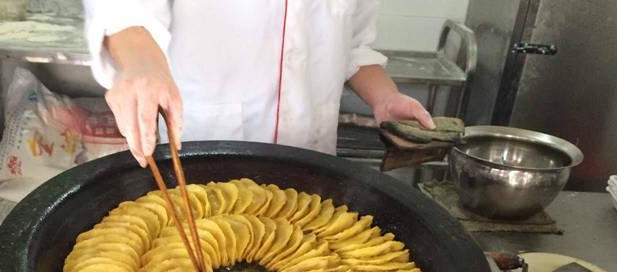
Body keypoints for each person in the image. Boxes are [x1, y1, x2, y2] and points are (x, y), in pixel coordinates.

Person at [84, 1, 435, 167]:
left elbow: (353, 45)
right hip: (206, 160)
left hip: (312, 168)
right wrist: (143, 65)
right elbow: (124, 14)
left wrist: (385, 97)